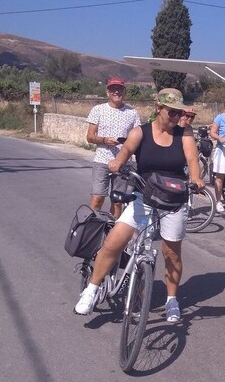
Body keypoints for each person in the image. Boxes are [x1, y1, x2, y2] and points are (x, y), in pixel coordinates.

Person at [75, 88, 205, 322]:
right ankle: (91, 291)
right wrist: (117, 162)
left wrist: (195, 178)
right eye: (172, 112)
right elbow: (125, 152)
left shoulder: (184, 134)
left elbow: (193, 160)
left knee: (172, 254)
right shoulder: (140, 132)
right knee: (114, 242)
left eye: (179, 112)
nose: (176, 117)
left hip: (173, 202)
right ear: (158, 109)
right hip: (143, 199)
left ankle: (171, 300)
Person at [85, 77, 141, 217]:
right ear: (107, 92)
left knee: (117, 202)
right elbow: (90, 137)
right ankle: (90, 228)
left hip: (123, 163)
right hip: (102, 161)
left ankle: (112, 231)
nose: (116, 91)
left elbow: (138, 137)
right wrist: (104, 140)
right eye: (113, 89)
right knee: (97, 199)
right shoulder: (98, 110)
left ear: (124, 91)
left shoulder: (132, 113)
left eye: (120, 89)